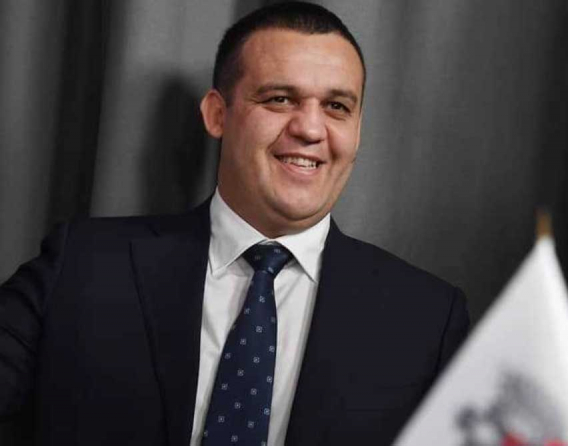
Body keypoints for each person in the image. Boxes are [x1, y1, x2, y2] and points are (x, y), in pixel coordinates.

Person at [0, 2, 469, 446]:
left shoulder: (427, 321)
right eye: (280, 99)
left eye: (337, 107)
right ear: (217, 114)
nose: (310, 129)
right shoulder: (80, 266)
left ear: (358, 129)